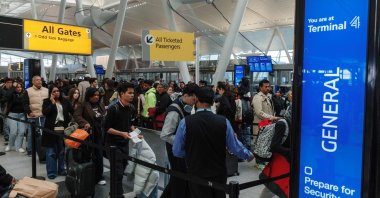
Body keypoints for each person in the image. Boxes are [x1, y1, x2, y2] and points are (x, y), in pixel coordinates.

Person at [172, 87, 254, 198]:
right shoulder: (223, 121)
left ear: (196, 101)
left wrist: (191, 154)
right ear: (212, 102)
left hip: (196, 171)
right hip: (218, 172)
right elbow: (234, 146)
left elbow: (177, 151)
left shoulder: (185, 122)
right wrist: (248, 155)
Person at [160, 83, 199, 198]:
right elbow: (165, 135)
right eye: (193, 99)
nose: (194, 102)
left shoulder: (185, 106)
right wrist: (182, 142)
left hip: (180, 149)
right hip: (175, 150)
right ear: (186, 95)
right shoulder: (174, 111)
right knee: (179, 179)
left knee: (178, 178)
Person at [104, 82, 143, 198]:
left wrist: (136, 134)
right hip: (112, 144)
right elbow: (107, 128)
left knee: (123, 168)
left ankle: (115, 193)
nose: (132, 95)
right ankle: (116, 195)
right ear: (122, 94)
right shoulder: (113, 108)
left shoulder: (131, 108)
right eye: (129, 93)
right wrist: (121, 133)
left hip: (124, 143)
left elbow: (130, 124)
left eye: (133, 93)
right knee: (117, 172)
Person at [73, 88, 106, 185]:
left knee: (99, 155)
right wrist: (85, 123)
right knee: (88, 155)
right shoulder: (83, 104)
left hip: (99, 133)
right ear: (89, 96)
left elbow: (104, 116)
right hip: (88, 133)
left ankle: (99, 176)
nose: (96, 97)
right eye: (94, 95)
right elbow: (77, 115)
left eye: (97, 95)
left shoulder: (101, 104)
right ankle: (88, 176)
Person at [42, 85, 73, 179]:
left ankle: (62, 169)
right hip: (50, 130)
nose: (56, 93)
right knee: (51, 152)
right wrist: (52, 103)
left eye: (58, 91)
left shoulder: (65, 101)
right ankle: (51, 172)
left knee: (62, 151)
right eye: (54, 91)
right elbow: (45, 113)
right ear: (50, 93)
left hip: (63, 129)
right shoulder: (47, 101)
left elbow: (73, 111)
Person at [23, 76, 49, 156]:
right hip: (33, 116)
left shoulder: (46, 90)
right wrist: (29, 112)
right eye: (37, 80)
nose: (39, 81)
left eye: (40, 80)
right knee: (31, 134)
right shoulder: (28, 91)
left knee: (44, 134)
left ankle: (43, 150)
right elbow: (25, 103)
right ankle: (30, 150)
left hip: (44, 116)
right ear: (33, 82)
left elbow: (49, 102)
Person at [5, 82, 27, 153]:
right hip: (12, 115)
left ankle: (19, 147)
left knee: (21, 132)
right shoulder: (12, 94)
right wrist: (12, 88)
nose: (19, 88)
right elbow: (7, 96)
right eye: (17, 87)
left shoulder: (24, 94)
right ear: (15, 88)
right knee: (13, 132)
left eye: (20, 87)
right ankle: (10, 145)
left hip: (22, 115)